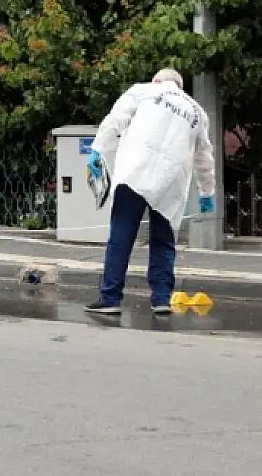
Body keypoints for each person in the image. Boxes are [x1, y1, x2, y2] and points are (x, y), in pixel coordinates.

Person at [83, 68, 216, 315]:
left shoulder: (143, 90)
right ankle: (162, 299)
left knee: (122, 235)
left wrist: (98, 149)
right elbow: (204, 157)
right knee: (164, 241)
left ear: (157, 79)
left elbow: (116, 120)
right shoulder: (197, 112)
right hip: (172, 181)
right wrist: (207, 193)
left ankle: (110, 298)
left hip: (136, 171)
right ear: (180, 87)